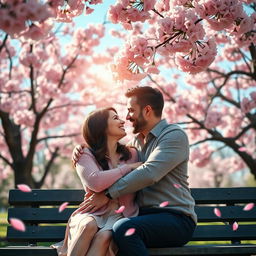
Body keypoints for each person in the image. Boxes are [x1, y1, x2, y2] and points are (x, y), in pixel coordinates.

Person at [73, 86, 197, 256]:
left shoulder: (173, 135)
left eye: (131, 110)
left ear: (147, 111)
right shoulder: (136, 144)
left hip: (174, 218)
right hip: (142, 217)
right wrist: (82, 148)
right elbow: (108, 152)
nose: (127, 117)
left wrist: (108, 194)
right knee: (113, 234)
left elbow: (150, 172)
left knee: (124, 229)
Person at [52, 107, 142, 256]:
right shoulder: (85, 154)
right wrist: (127, 168)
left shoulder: (132, 154)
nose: (122, 121)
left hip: (122, 214)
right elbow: (95, 182)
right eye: (115, 118)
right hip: (92, 212)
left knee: (105, 236)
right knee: (88, 226)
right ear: (102, 127)